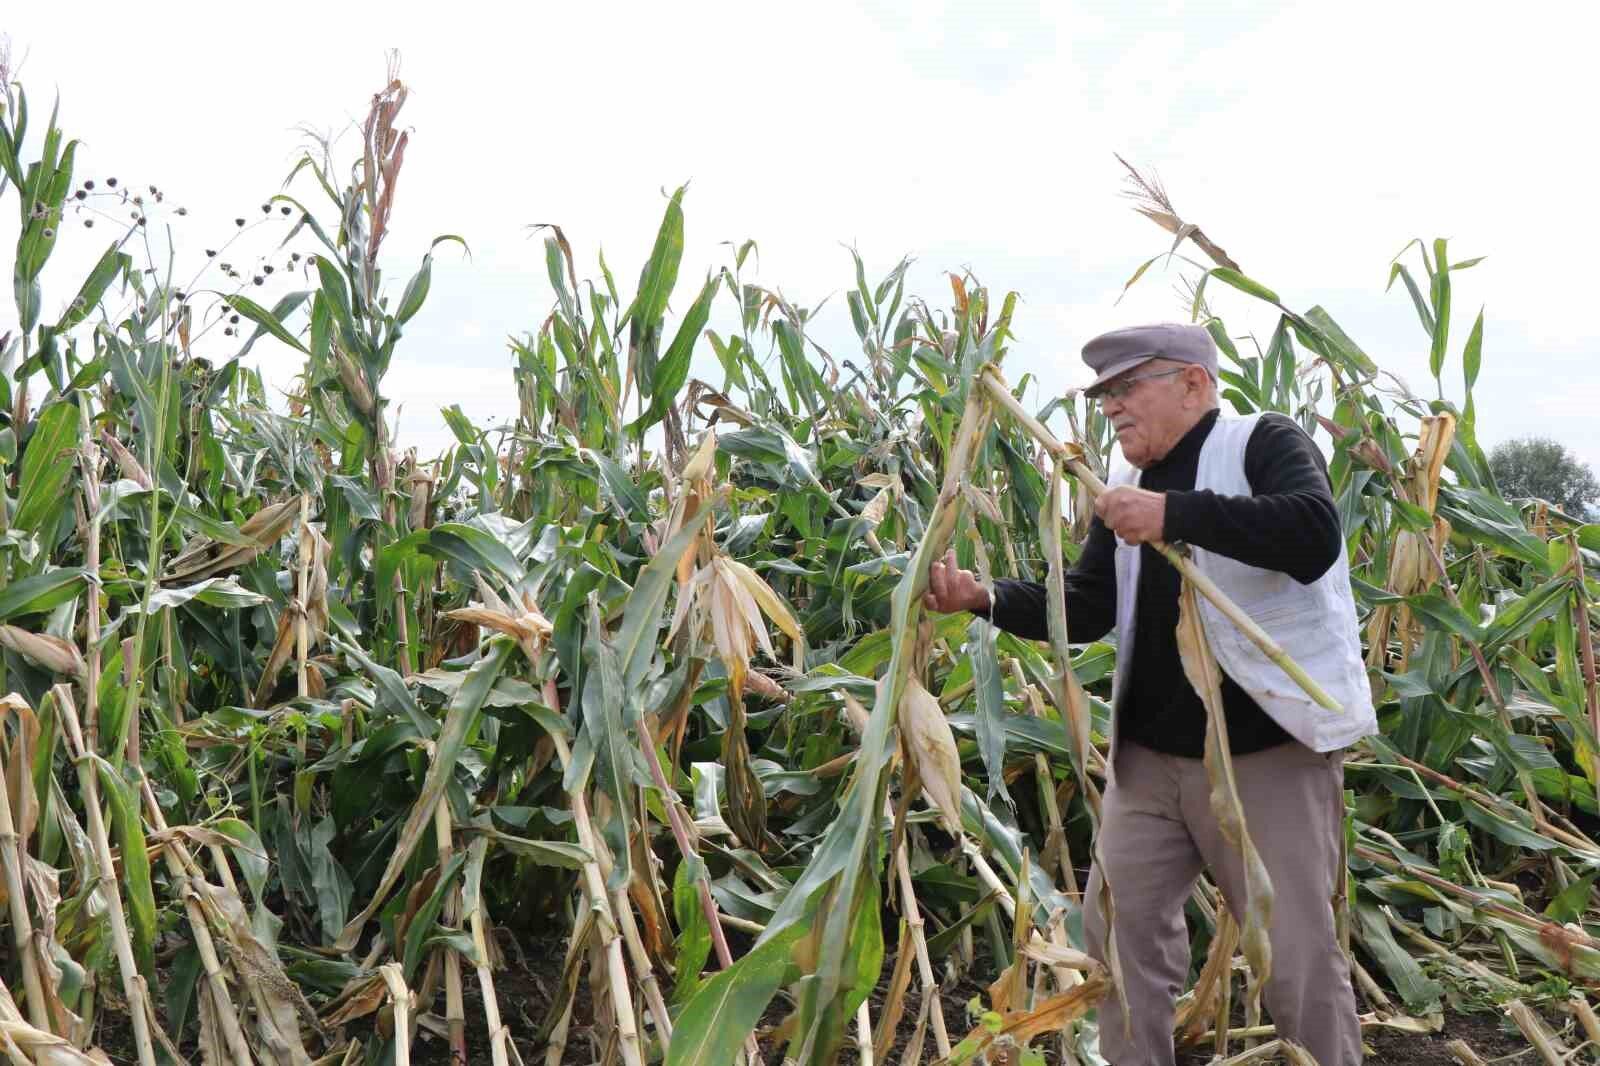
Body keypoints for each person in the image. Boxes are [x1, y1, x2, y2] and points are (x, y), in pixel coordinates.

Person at [924, 322, 1376, 1066]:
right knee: (1118, 944)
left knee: (1293, 953)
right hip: (1148, 766)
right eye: (1104, 394)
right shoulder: (1125, 492)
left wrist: (1175, 516)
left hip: (1265, 755)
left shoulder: (1261, 442)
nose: (1111, 406)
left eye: (1127, 387)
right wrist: (984, 597)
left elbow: (1312, 533)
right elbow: (1090, 605)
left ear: (1194, 383)